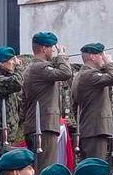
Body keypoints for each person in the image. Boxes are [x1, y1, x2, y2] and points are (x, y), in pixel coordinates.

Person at [21, 32, 74, 167]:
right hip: (43, 125)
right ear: (44, 48)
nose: (53, 51)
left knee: (39, 166)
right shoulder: (40, 67)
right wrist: (62, 56)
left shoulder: (35, 67)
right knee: (44, 167)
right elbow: (65, 73)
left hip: (39, 124)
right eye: (52, 48)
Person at [71, 44, 113, 161]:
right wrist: (109, 63)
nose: (103, 58)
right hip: (95, 130)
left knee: (91, 167)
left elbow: (74, 106)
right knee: (96, 168)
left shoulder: (81, 75)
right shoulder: (90, 75)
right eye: (101, 55)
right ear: (92, 57)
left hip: (88, 128)